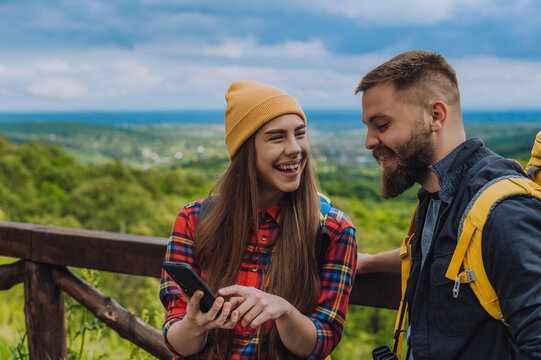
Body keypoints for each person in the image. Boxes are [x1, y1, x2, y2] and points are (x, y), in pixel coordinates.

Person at [354, 50, 541, 359]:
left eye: (382, 125)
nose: (369, 141)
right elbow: (448, 254)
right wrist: (369, 262)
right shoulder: (438, 194)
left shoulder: (504, 211)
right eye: (368, 127)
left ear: (436, 116)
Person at [159, 80, 357, 359]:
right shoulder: (193, 219)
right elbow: (177, 341)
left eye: (300, 134)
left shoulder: (333, 230)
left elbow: (321, 341)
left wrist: (283, 310)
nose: (295, 148)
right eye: (277, 137)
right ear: (244, 151)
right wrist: (194, 324)